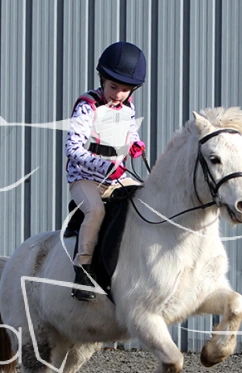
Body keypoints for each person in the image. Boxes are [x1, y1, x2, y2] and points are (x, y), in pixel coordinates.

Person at [65, 41, 147, 301]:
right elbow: (72, 148)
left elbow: (129, 131)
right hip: (84, 179)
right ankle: (83, 271)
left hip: (115, 178)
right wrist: (104, 166)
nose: (118, 94)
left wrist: (135, 144)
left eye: (125, 89)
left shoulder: (128, 106)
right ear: (102, 80)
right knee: (97, 211)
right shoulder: (87, 105)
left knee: (145, 200)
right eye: (113, 87)